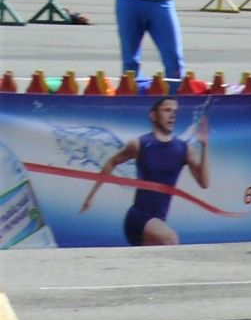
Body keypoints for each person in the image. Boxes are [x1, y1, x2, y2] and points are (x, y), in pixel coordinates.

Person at [80, 97, 210, 245]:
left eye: (174, 112)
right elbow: (111, 162)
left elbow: (204, 183)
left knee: (161, 254)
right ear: (153, 115)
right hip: (138, 219)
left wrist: (204, 145)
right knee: (171, 239)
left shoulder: (184, 149)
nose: (172, 115)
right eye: (167, 110)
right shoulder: (140, 144)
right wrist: (91, 196)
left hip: (157, 221)